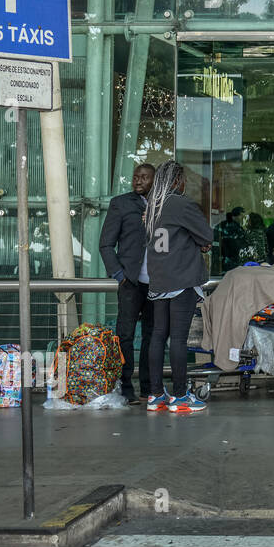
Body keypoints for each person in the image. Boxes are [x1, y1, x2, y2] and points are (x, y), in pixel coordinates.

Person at [141, 161, 214, 413]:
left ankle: (155, 395)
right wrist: (199, 243)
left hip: (159, 278)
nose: (185, 185)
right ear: (175, 181)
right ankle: (181, 397)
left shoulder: (152, 207)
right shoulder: (182, 204)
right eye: (182, 180)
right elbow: (207, 236)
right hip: (181, 279)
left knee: (158, 335)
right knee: (179, 340)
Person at [99, 162, 155, 405]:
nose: (138, 181)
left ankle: (148, 388)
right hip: (130, 282)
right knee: (126, 335)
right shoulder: (120, 203)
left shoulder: (162, 206)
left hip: (157, 283)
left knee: (152, 337)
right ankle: (125, 387)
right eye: (135, 177)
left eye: (144, 177)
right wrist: (119, 275)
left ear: (155, 180)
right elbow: (105, 244)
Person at [213, 207, 246, 273]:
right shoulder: (237, 228)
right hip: (232, 262)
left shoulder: (220, 225)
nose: (243, 218)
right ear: (234, 216)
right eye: (241, 216)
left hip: (221, 262)